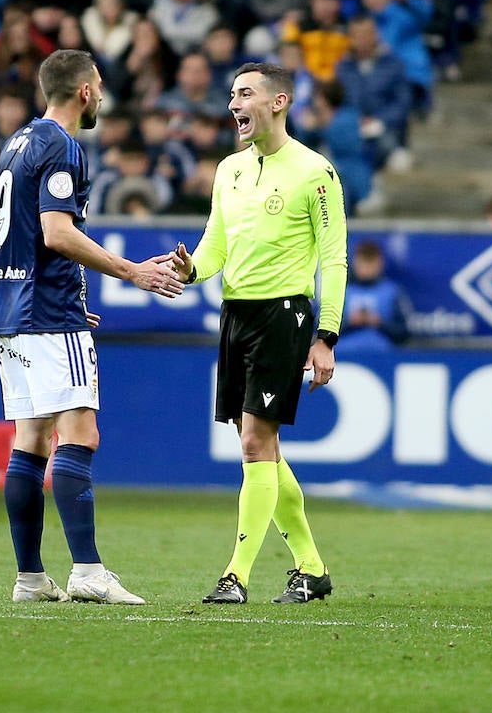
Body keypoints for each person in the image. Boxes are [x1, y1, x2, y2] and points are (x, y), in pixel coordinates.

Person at [0, 49, 184, 605]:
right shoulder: (62, 146)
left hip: (15, 310)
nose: (101, 94)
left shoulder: (18, 143)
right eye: (98, 85)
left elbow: (26, 234)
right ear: (82, 92)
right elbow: (54, 231)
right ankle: (87, 572)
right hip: (47, 315)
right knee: (80, 435)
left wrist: (70, 295)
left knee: (29, 441)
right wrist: (130, 271)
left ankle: (30, 578)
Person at [168, 62, 348, 605]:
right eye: (230, 96)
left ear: (279, 102)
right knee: (262, 445)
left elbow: (334, 258)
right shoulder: (229, 170)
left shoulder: (316, 172)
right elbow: (215, 244)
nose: (233, 105)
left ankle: (236, 575)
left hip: (283, 314)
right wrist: (191, 269)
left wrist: (327, 335)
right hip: (235, 314)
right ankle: (311, 568)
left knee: (254, 442)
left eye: (245, 94)